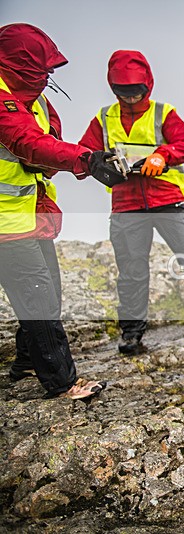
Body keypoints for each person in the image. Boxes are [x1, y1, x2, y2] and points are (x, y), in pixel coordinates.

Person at [78, 50, 184, 354]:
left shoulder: (163, 113)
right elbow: (85, 152)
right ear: (114, 88)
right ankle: (131, 333)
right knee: (131, 272)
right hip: (126, 204)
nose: (130, 98)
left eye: (136, 92)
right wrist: (98, 163)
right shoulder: (103, 118)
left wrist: (162, 155)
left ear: (148, 86)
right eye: (124, 93)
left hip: (169, 199)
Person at [0, 23, 111, 399]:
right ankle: (62, 384)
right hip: (6, 223)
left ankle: (27, 362)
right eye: (38, 70)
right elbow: (26, 141)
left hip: (30, 215)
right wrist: (86, 160)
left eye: (49, 71)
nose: (46, 78)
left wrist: (88, 160)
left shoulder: (40, 103)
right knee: (40, 301)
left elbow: (47, 149)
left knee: (46, 293)